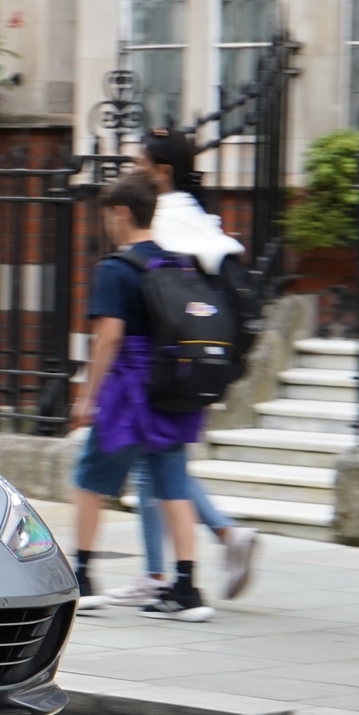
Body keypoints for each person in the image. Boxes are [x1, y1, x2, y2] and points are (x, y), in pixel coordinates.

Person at [123, 127, 262, 602]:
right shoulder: (201, 218)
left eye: (138, 164)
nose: (132, 171)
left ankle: (190, 557)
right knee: (159, 462)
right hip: (200, 359)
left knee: (156, 462)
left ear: (160, 172)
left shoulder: (165, 219)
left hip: (165, 360)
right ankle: (164, 570)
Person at [71, 173, 214, 622]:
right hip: (173, 387)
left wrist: (86, 397)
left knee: (91, 478)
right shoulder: (178, 263)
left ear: (121, 214)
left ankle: (84, 577)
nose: (107, 225)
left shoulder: (115, 269)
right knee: (172, 484)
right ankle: (187, 587)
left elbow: (108, 336)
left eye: (108, 216)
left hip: (129, 389)